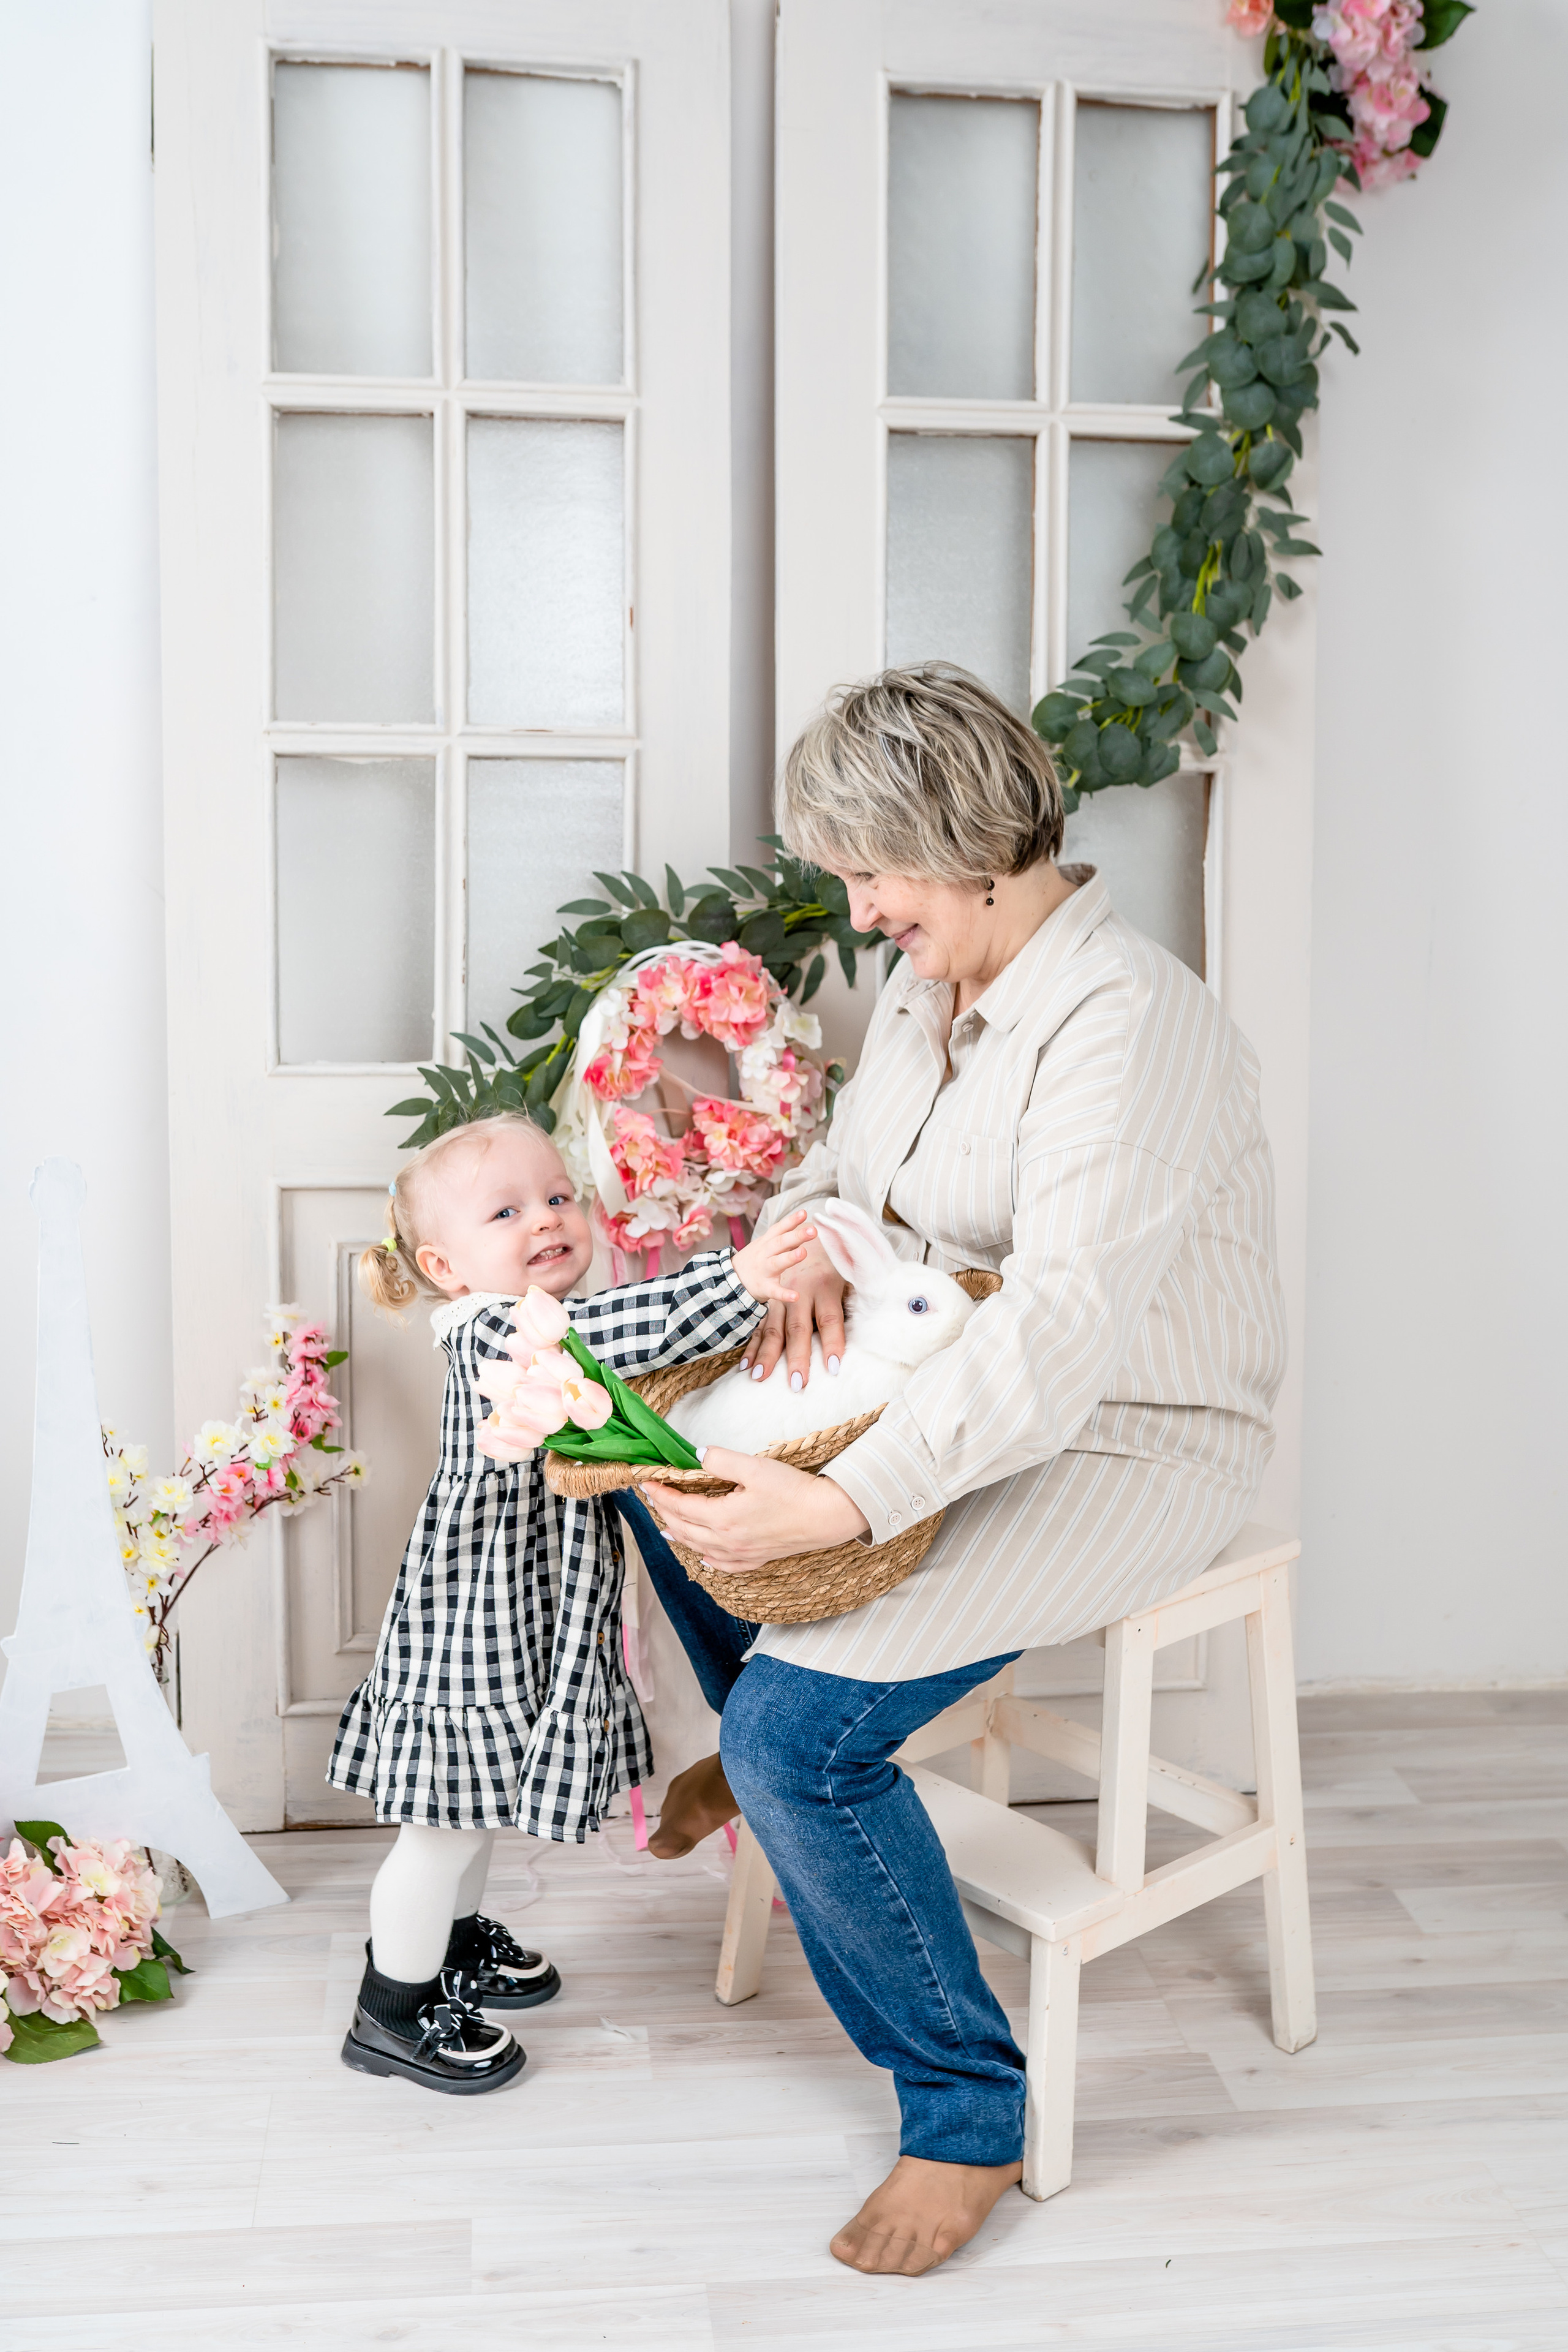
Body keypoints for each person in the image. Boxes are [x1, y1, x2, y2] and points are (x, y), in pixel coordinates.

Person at [622, 661, 1287, 2275]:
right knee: (668, 1485)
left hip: (1136, 1431)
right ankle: (782, 1744)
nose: (858, 911)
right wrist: (813, 1246)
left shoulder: (1132, 1024)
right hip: (958, 1376)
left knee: (797, 1745)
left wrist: (847, 1500)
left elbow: (1058, 1326)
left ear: (971, 848)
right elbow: (863, 1173)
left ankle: (967, 2108)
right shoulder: (933, 996)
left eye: (870, 873)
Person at [328, 1111, 812, 2094]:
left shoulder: (526, 1318)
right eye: (506, 1211)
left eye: (556, 1197)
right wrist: (735, 1282)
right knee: (441, 1824)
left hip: (521, 1618)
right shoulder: (493, 1333)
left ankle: (453, 1947)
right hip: (472, 1623)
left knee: (471, 1806)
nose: (545, 1220)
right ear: (446, 1266)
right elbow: (606, 1335)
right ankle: (391, 2009)